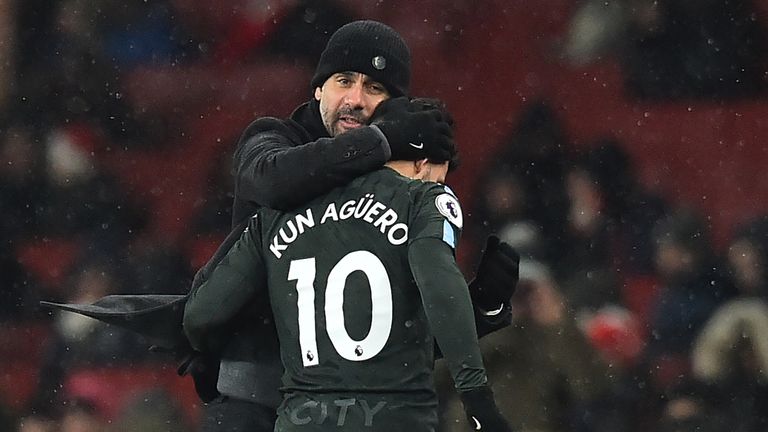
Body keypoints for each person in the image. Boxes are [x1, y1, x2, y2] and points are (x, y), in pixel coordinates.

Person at [42, 20, 520, 432]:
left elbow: (388, 336)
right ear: (317, 88)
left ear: (393, 105)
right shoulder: (275, 138)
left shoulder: (397, 188)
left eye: (375, 89)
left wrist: (484, 306)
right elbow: (269, 179)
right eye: (343, 80)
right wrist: (386, 138)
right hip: (253, 402)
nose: (355, 98)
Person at [183, 123, 513, 431]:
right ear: (423, 164)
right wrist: (476, 395)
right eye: (441, 177)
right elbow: (434, 295)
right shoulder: (420, 202)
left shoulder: (277, 209)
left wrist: (214, 353)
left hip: (303, 418)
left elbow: (201, 315)